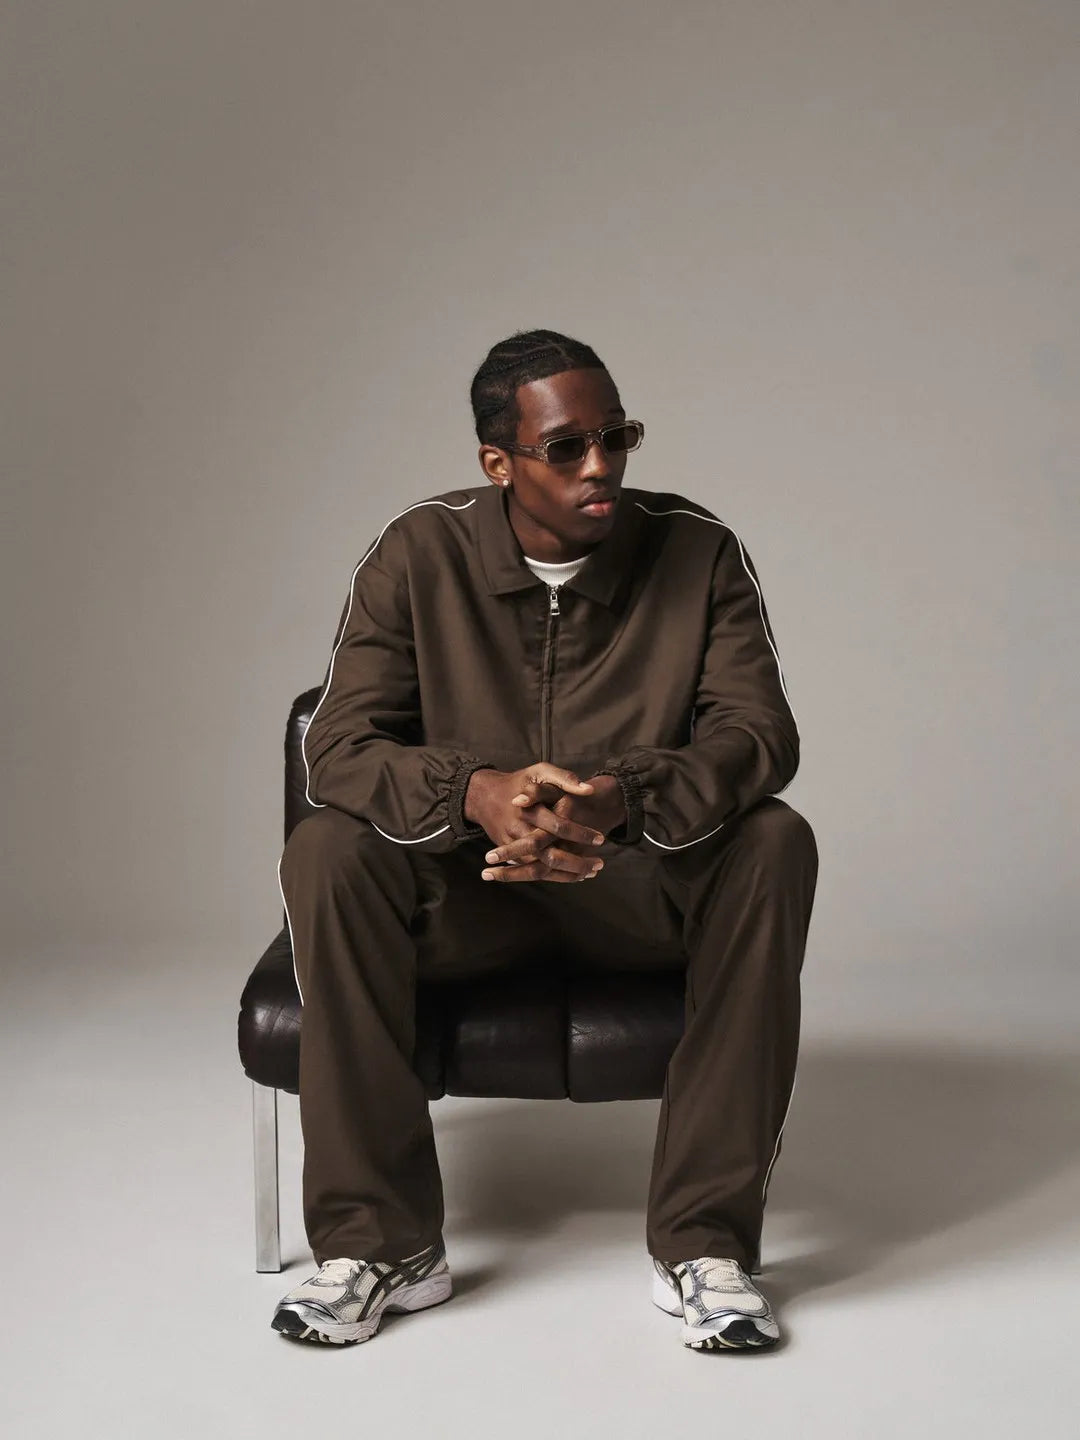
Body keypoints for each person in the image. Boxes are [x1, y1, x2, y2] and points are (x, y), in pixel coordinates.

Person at [271, 328, 819, 1351]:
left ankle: (704, 1245)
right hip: (466, 898)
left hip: (634, 896)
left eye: (617, 438)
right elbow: (338, 749)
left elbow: (760, 735)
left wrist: (620, 799)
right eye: (567, 448)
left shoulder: (697, 553)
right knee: (327, 852)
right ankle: (382, 1244)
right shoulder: (418, 553)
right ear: (499, 462)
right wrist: (473, 791)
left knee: (776, 841)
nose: (601, 465)